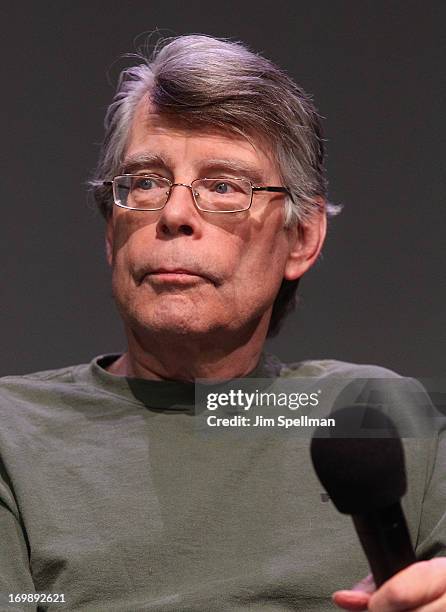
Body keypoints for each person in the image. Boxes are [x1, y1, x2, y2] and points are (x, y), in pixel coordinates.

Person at [0, 34, 444, 612]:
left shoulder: (386, 416)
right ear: (111, 231)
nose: (174, 214)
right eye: (146, 182)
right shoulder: (13, 436)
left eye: (224, 186)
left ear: (302, 238)